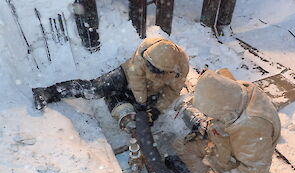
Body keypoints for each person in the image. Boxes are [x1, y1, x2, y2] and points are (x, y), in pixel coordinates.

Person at [167, 69, 281, 173]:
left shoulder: (252, 128)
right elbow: (221, 73)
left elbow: (257, 172)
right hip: (222, 144)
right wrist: (208, 129)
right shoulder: (234, 92)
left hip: (236, 165)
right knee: (181, 145)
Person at [32, 37, 189, 122]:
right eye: (148, 65)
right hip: (129, 74)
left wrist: (156, 110)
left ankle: (116, 97)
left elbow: (172, 91)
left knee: (141, 120)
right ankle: (47, 93)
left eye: (153, 69)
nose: (149, 68)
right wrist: (141, 101)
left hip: (154, 90)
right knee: (95, 89)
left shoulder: (180, 67)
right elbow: (136, 77)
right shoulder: (146, 49)